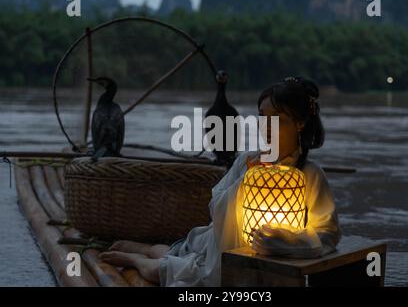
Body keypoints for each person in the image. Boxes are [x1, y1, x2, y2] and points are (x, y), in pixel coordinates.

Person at [99, 76, 341, 286]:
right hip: (218, 244)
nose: (267, 126)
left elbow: (327, 235)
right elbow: (216, 206)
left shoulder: (310, 174)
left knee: (165, 264)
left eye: (278, 118)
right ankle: (139, 253)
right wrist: (247, 180)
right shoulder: (248, 160)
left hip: (262, 256)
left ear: (300, 123)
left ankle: (145, 253)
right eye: (262, 116)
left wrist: (283, 239)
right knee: (166, 263)